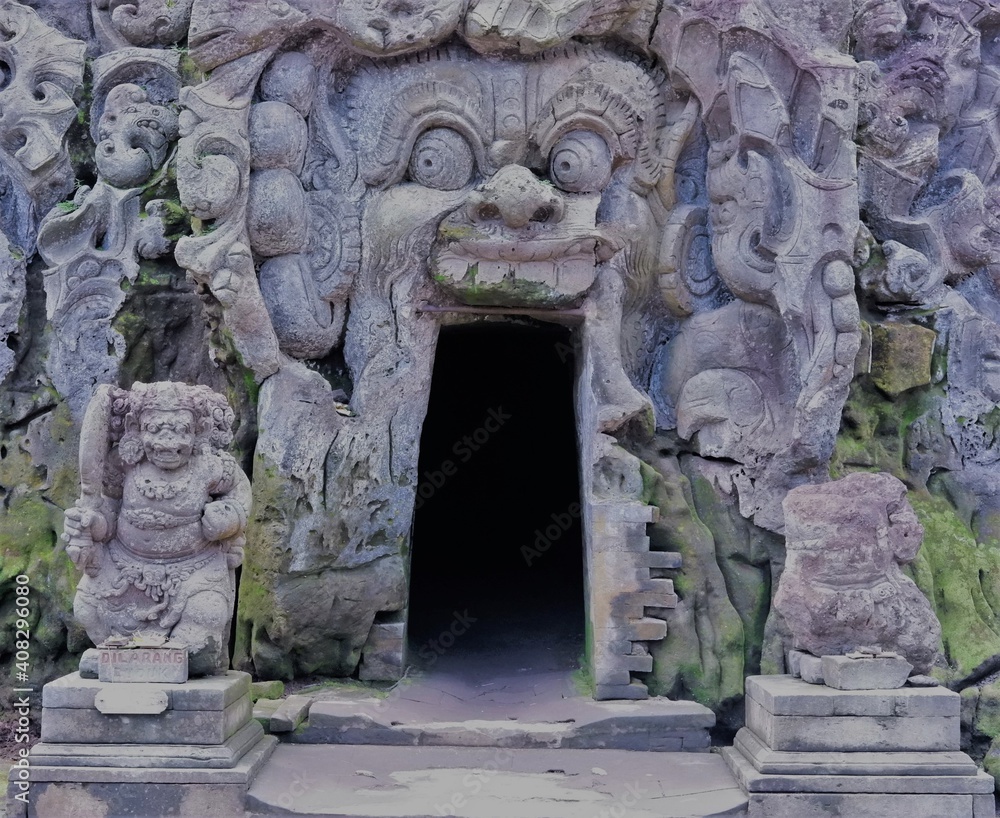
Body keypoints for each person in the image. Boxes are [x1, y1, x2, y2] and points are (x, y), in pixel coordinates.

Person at [63, 381, 250, 675]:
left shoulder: (208, 466)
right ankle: (121, 656)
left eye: (180, 431)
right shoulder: (126, 465)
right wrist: (93, 525)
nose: (166, 443)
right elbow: (110, 511)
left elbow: (240, 489)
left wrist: (229, 517)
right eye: (154, 431)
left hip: (193, 571)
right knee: (85, 608)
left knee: (206, 613)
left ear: (197, 431)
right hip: (126, 568)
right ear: (137, 431)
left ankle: (191, 655)